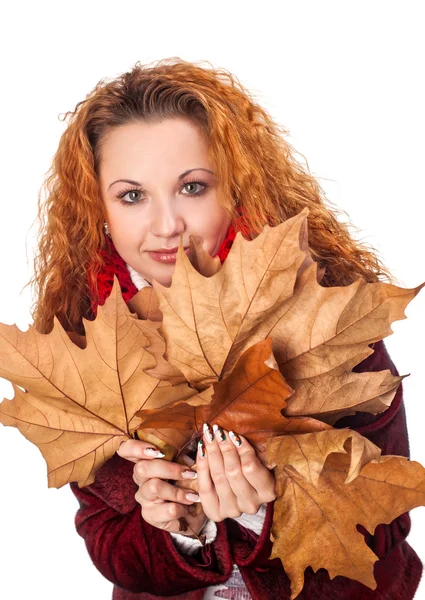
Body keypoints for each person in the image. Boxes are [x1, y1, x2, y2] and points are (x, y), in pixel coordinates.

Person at [29, 57, 422, 599]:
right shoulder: (88, 342)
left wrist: (265, 517)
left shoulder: (320, 318)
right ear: (97, 205)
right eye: (132, 195)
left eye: (192, 187)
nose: (167, 225)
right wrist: (183, 534)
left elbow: (384, 528)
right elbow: (109, 544)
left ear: (235, 188)